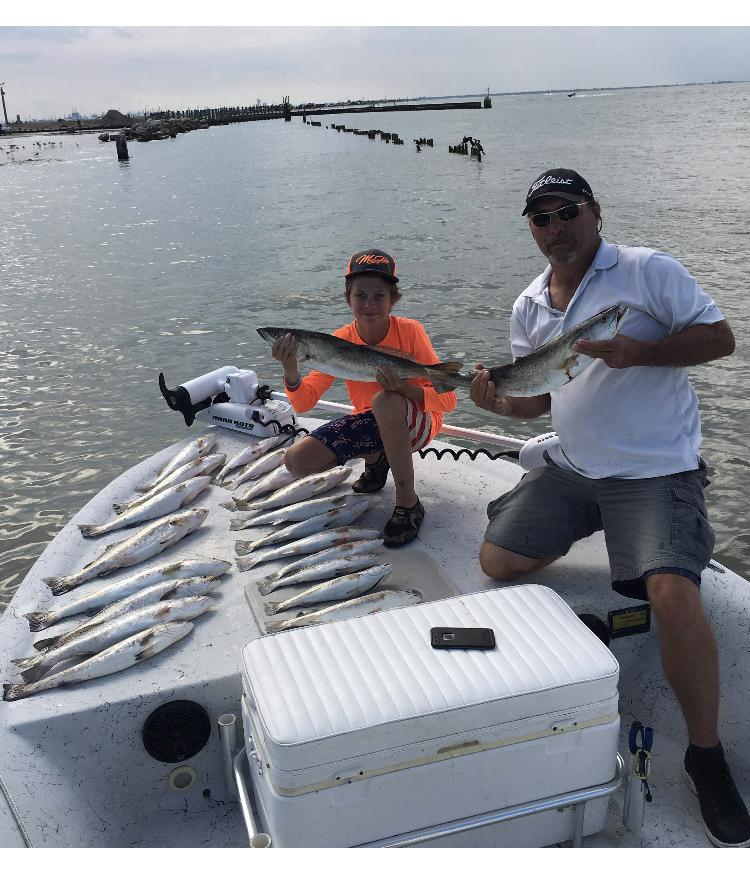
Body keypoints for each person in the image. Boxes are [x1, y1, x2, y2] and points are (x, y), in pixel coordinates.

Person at [470, 168, 749, 848]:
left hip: (655, 472)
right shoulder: (529, 306)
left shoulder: (647, 271)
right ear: (531, 230)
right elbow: (538, 398)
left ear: (594, 212)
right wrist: (495, 403)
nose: (555, 228)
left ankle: (705, 758)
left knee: (672, 595)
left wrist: (642, 354)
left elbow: (721, 339)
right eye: (541, 219)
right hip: (573, 467)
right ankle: (563, 509)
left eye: (566, 212)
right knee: (496, 560)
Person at [270, 249, 457, 547]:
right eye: (360, 296)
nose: (369, 304)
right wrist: (290, 366)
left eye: (379, 296)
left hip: (417, 424)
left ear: (393, 300)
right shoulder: (338, 340)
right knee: (296, 461)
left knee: (386, 400)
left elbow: (447, 403)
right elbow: (304, 402)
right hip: (373, 423)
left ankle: (408, 503)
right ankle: (377, 458)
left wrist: (403, 388)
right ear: (348, 299)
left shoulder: (411, 332)